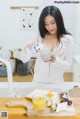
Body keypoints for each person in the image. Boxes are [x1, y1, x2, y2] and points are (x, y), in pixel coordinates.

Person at [14, 5, 73, 83]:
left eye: (53, 23)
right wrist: (26, 50)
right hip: (38, 81)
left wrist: (56, 60)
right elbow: (25, 59)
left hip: (57, 83)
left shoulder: (68, 39)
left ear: (59, 20)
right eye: (46, 24)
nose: (50, 27)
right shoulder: (39, 36)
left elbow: (68, 66)